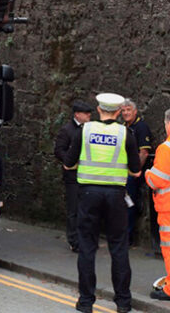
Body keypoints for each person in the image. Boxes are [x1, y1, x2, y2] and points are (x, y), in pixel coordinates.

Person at [64, 93, 141, 313]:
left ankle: (86, 302)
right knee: (119, 247)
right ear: (118, 112)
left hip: (88, 194)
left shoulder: (84, 130)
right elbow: (136, 171)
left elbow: (68, 163)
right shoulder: (125, 133)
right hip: (116, 196)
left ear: (99, 109)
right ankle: (123, 302)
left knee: (87, 247)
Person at [54, 100, 94, 253]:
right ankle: (74, 240)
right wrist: (69, 162)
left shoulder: (90, 129)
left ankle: (86, 237)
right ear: (77, 114)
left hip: (88, 175)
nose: (89, 115)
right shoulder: (67, 130)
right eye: (86, 113)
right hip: (73, 176)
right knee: (74, 209)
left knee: (87, 208)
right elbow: (59, 150)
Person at [121, 99, 153, 246]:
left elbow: (144, 153)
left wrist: (134, 171)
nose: (126, 113)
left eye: (128, 110)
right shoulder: (122, 127)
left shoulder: (141, 127)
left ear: (135, 111)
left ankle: (127, 238)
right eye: (123, 110)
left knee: (129, 204)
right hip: (120, 172)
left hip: (132, 174)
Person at [146, 108, 170, 301]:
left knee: (169, 249)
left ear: (167, 124)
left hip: (168, 209)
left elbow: (157, 180)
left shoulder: (166, 148)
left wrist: (147, 173)